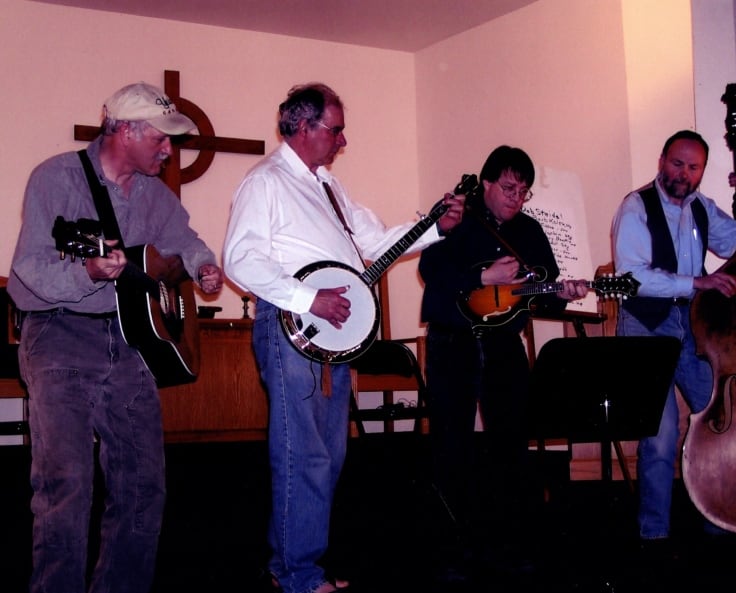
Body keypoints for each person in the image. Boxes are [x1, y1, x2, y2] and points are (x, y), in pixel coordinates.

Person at [222, 82, 464, 593]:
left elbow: (376, 242)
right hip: (292, 329)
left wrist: (434, 227)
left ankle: (288, 565)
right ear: (303, 127)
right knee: (302, 454)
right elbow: (240, 261)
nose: (342, 141)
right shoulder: (264, 182)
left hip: (332, 340)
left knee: (326, 456)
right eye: (336, 130)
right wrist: (311, 300)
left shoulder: (329, 186)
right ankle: (299, 576)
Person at [8, 82, 224, 593]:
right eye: (162, 138)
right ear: (125, 130)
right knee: (67, 486)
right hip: (58, 335)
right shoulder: (55, 178)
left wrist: (203, 266)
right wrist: (87, 273)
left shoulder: (155, 194)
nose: (169, 149)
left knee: (143, 485)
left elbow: (184, 241)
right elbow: (29, 265)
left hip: (131, 343)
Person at [418, 145, 588, 583]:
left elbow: (543, 287)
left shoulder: (529, 231)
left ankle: (507, 544)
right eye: (509, 187)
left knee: (511, 443)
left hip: (502, 345)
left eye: (524, 191)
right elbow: (431, 272)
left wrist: (562, 292)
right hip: (452, 342)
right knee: (451, 444)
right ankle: (449, 550)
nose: (516, 197)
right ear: (487, 183)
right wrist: (482, 277)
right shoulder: (455, 216)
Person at [611, 130, 736, 550]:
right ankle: (654, 532)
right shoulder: (635, 206)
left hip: (693, 324)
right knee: (660, 435)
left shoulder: (701, 207)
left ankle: (722, 520)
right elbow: (632, 276)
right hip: (647, 324)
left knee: (717, 425)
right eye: (677, 163)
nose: (684, 173)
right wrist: (697, 281)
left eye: (693, 167)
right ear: (662, 160)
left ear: (702, 172)